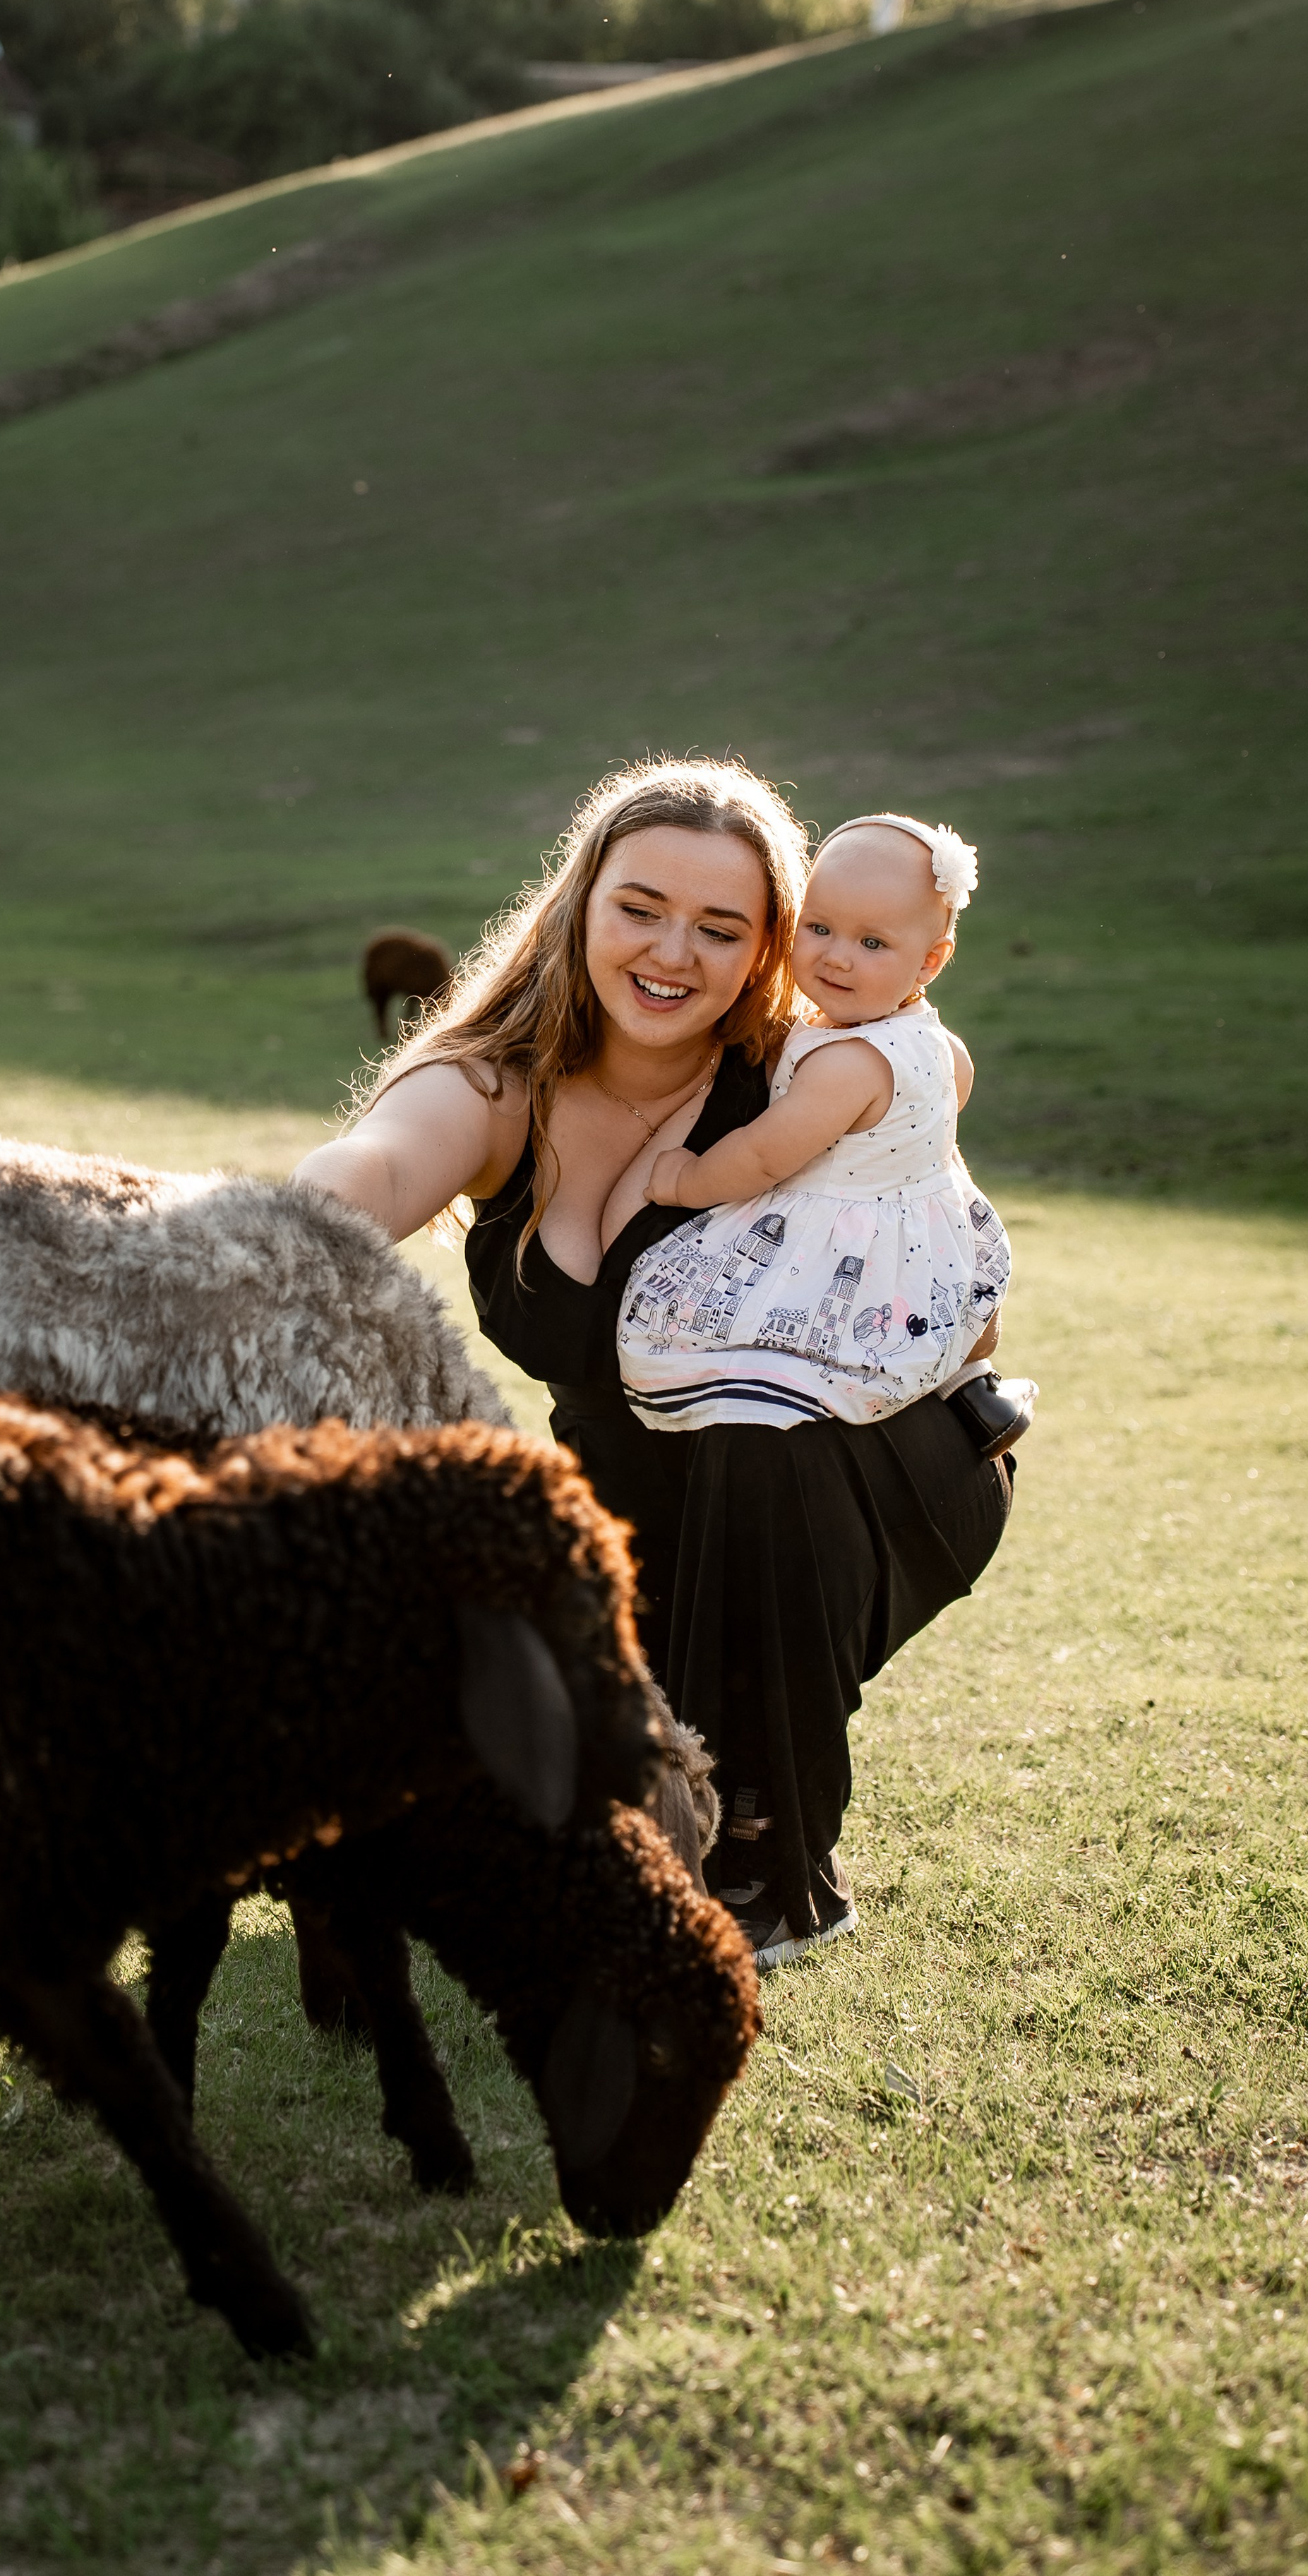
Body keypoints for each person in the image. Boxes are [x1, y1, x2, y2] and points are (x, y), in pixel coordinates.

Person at [292, 762, 1015, 1970]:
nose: (673, 950)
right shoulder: (490, 1084)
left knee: (756, 1434)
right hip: (645, 1544)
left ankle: (779, 1867)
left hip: (882, 1479)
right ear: (581, 904)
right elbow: (369, 1168)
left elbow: (948, 1273)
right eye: (641, 907)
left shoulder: (812, 1077)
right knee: (523, 1824)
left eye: (722, 927)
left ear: (765, 946)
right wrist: (270, 1227)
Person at [617, 811, 1037, 1445]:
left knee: (753, 1324)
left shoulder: (847, 1065)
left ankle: (771, 1404)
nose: (837, 958)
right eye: (819, 928)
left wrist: (688, 1178)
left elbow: (764, 1156)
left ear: (930, 961)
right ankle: (971, 1390)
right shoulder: (942, 1047)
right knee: (939, 1323)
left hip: (848, 1232)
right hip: (931, 1230)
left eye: (872, 944)